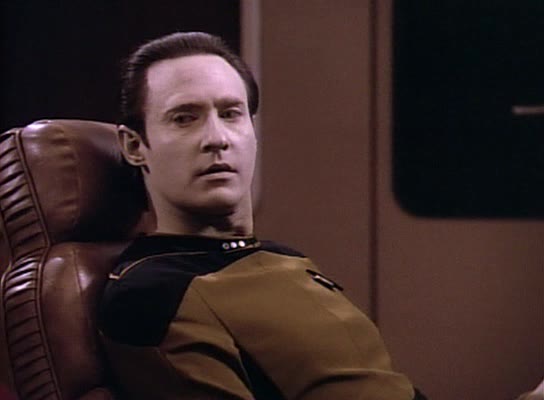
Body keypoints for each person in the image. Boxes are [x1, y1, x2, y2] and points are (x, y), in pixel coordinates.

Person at [98, 31, 425, 400]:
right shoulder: (152, 294)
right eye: (184, 118)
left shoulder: (282, 257)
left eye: (231, 114)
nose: (217, 138)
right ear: (135, 146)